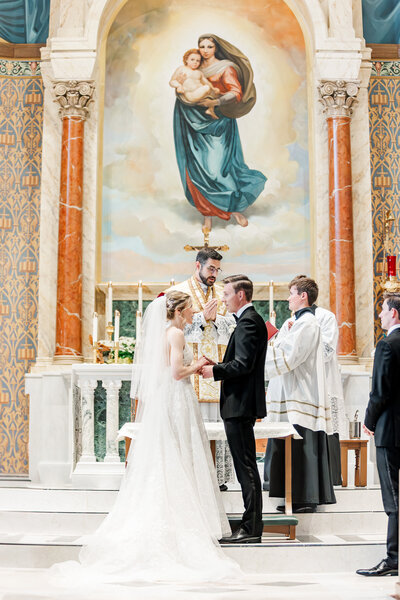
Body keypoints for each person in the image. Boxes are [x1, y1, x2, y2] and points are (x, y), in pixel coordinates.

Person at [52, 291, 239, 583]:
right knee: (178, 454)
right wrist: (199, 363)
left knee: (168, 456)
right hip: (177, 397)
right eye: (190, 308)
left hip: (170, 398)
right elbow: (177, 372)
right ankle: (179, 524)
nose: (193, 313)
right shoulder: (176, 334)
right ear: (179, 311)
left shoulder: (167, 331)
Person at [173, 34, 267, 233]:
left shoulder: (225, 67)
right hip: (192, 122)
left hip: (218, 123)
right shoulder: (193, 68)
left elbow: (236, 92)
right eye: (202, 46)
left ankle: (234, 209)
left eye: (209, 46)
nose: (205, 50)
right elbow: (178, 85)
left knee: (220, 168)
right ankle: (207, 214)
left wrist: (214, 102)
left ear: (216, 48)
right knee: (197, 167)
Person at [202, 275, 268, 543]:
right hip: (240, 404)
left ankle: (251, 527)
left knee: (246, 468)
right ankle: (250, 524)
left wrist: (213, 370)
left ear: (241, 295)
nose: (223, 299)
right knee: (246, 467)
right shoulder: (249, 321)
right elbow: (241, 361)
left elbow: (242, 365)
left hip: (240, 405)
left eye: (227, 294)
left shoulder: (249, 322)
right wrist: (218, 363)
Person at [264, 276, 336, 513]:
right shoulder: (295, 322)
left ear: (303, 296)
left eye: (292, 293)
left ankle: (306, 497)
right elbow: (282, 346)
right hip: (291, 392)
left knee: (301, 444)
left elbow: (290, 355)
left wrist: (257, 359)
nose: (288, 298)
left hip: (302, 395)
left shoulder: (309, 324)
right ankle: (291, 496)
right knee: (290, 447)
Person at [168, 248, 235, 490]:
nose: (214, 274)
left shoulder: (223, 293)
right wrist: (201, 319)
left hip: (217, 369)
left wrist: (216, 319)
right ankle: (194, 478)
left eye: (217, 270)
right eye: (211, 269)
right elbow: (171, 327)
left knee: (219, 426)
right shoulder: (180, 291)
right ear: (198, 266)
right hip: (191, 369)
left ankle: (219, 479)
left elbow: (233, 326)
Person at [357, 293, 400, 577]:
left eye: (383, 311)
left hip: (390, 431)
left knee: (393, 498)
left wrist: (369, 421)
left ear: (394, 313)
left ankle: (393, 558)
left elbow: (380, 391)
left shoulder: (387, 345)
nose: (380, 316)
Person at [169, 48, 220, 119]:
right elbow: (172, 81)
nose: (195, 62)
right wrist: (179, 86)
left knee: (213, 92)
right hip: (190, 95)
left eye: (198, 61)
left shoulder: (199, 72)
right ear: (186, 59)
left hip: (199, 94)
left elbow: (206, 82)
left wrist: (213, 88)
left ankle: (210, 110)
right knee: (207, 88)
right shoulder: (182, 69)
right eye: (192, 60)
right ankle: (210, 108)